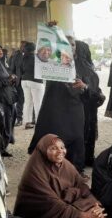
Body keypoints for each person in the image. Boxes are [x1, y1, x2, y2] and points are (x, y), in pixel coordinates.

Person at [14, 134, 108, 218]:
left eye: (62, 147)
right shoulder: (35, 170)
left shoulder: (65, 165)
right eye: (53, 148)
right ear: (43, 150)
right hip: (44, 216)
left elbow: (81, 185)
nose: (60, 151)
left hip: (67, 208)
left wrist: (94, 203)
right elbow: (50, 202)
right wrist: (83, 215)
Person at [28, 36, 89, 177]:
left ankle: (75, 172)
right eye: (66, 44)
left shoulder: (82, 65)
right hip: (55, 109)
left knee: (76, 141)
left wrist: (84, 86)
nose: (70, 47)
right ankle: (52, 172)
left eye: (73, 44)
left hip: (75, 111)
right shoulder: (51, 63)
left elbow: (92, 90)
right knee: (56, 140)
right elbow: (40, 56)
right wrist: (49, 32)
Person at [75, 40, 105, 166]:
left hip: (76, 107)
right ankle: (85, 158)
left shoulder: (70, 67)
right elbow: (93, 90)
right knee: (88, 131)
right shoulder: (88, 69)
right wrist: (98, 95)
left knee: (80, 132)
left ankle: (80, 159)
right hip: (88, 107)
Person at [20, 42, 44, 129]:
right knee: (38, 103)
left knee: (27, 102)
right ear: (34, 49)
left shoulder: (23, 57)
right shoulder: (36, 58)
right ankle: (40, 123)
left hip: (24, 80)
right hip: (35, 81)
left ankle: (27, 122)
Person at [9, 41, 27, 126]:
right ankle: (19, 119)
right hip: (19, 82)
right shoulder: (16, 55)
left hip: (29, 81)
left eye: (24, 46)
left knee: (30, 100)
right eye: (21, 46)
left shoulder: (32, 55)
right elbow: (12, 68)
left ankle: (32, 119)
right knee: (20, 100)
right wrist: (12, 76)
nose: (22, 48)